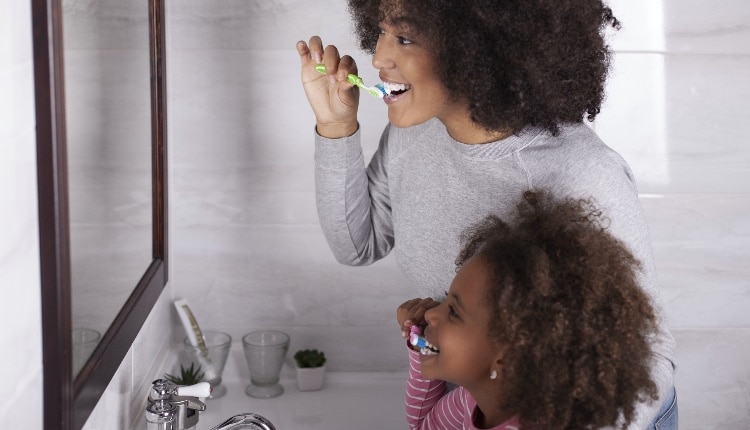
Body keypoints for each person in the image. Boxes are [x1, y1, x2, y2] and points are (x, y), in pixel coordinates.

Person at [295, 1, 676, 427]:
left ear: (472, 47)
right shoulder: (415, 133)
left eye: (404, 37)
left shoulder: (578, 174)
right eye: (380, 32)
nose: (379, 57)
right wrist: (335, 127)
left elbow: (648, 357)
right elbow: (357, 245)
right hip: (467, 399)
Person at [396, 191, 659, 430]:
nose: (432, 313)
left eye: (454, 312)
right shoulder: (473, 400)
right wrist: (421, 343)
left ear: (507, 354)